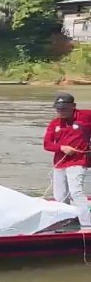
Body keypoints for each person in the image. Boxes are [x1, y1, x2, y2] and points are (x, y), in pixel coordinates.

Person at [43, 92, 91, 228]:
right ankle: (65, 221)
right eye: (58, 109)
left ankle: (87, 225)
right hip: (60, 163)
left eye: (64, 108)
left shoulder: (86, 116)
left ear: (73, 106)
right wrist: (62, 147)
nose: (61, 112)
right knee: (60, 195)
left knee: (76, 192)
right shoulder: (54, 123)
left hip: (78, 161)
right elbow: (47, 144)